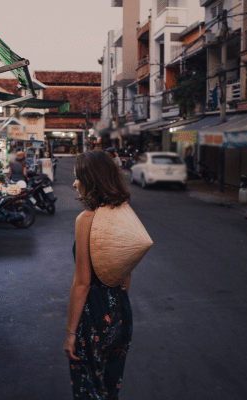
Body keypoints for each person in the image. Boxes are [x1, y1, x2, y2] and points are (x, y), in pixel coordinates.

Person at [66, 150, 150, 399]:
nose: (74, 183)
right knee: (110, 386)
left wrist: (71, 333)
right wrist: (115, 308)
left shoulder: (87, 219)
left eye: (77, 177)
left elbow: (82, 283)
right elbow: (126, 273)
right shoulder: (122, 211)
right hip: (121, 310)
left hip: (94, 313)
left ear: (91, 180)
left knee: (89, 388)